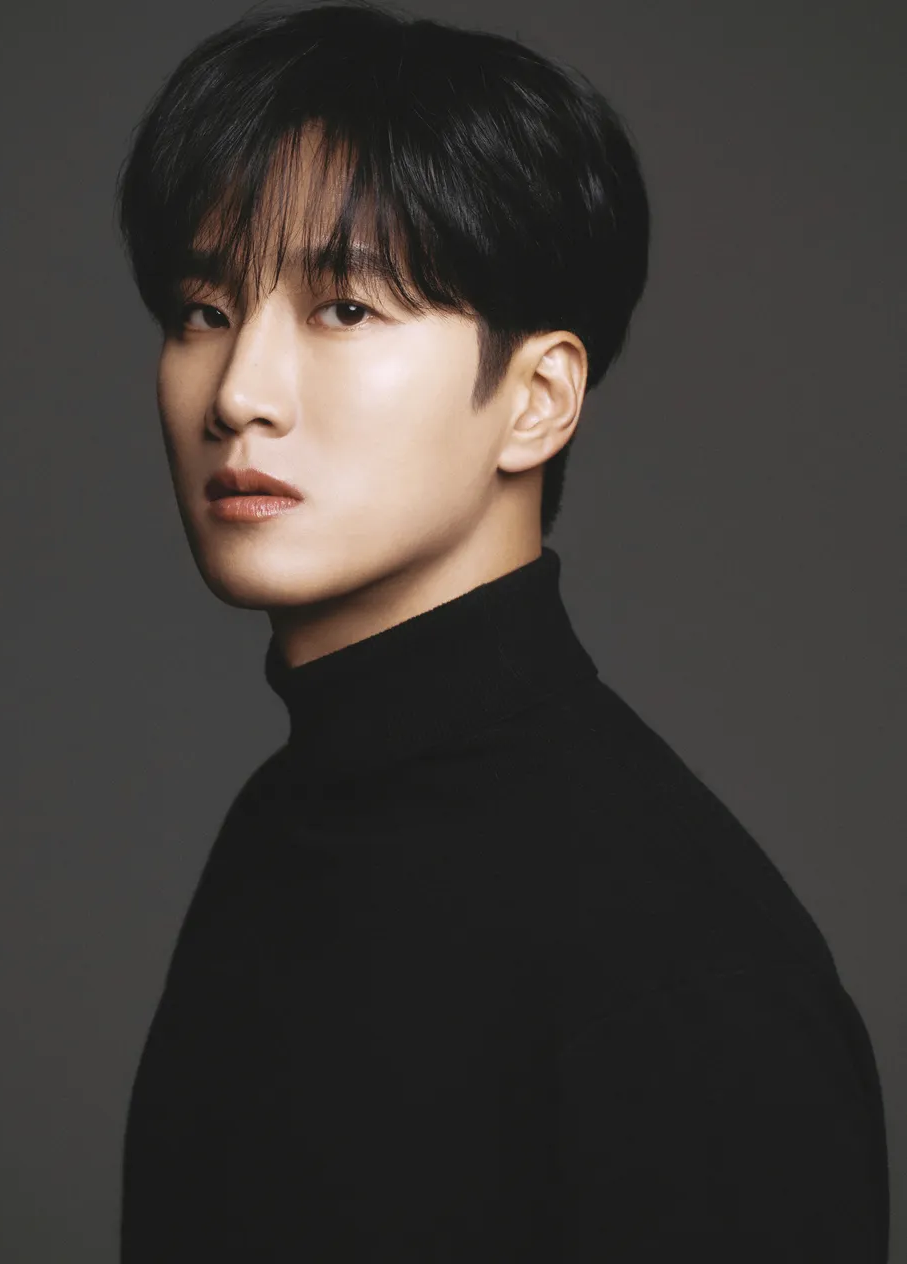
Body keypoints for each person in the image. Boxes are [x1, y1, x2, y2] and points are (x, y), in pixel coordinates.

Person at [113, 3, 889, 1259]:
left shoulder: (672, 963)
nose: (239, 393)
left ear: (534, 400)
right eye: (203, 307)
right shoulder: (286, 823)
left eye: (344, 308)